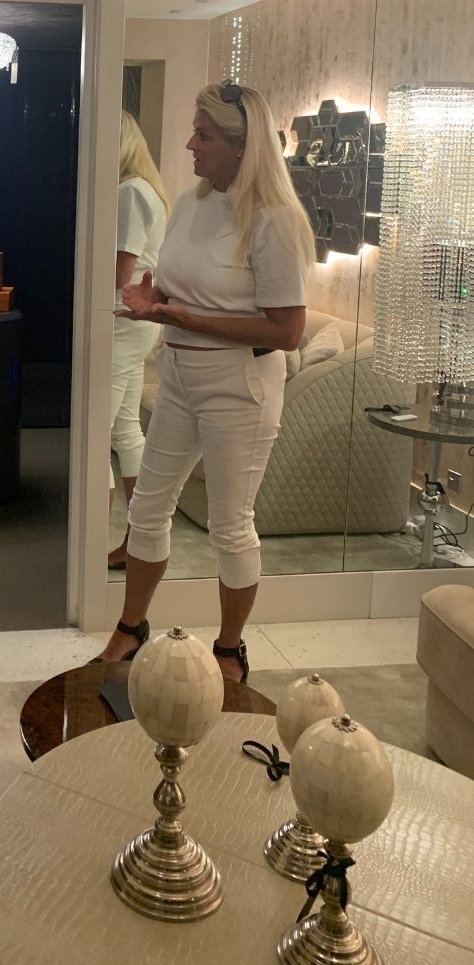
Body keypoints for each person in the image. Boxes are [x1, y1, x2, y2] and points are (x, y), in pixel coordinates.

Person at [100, 81, 314, 680]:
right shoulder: (193, 204)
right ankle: (130, 627)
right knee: (147, 509)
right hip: (179, 375)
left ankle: (228, 650)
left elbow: (287, 331)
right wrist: (156, 295)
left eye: (204, 135)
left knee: (229, 525)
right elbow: (176, 283)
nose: (190, 143)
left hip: (238, 387)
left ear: (243, 147)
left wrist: (173, 314)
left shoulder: (274, 221)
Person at [107, 112, 168, 572]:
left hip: (122, 321)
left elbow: (120, 273)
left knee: (96, 429)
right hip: (133, 322)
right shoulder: (147, 190)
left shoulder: (130, 192)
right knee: (124, 429)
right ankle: (138, 538)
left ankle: (91, 537)